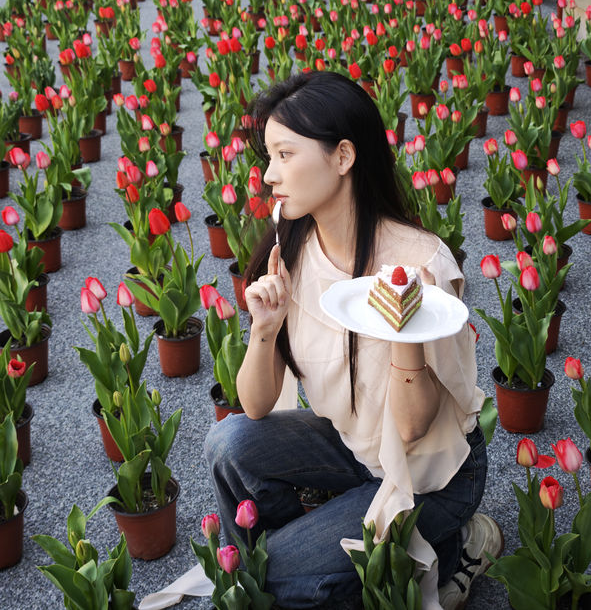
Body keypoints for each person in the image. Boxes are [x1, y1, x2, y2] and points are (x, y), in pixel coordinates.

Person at [204, 71, 502, 610]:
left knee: (273, 579)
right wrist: (266, 328)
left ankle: (456, 546)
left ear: (343, 157)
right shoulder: (290, 249)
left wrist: (407, 324)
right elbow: (253, 406)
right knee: (228, 447)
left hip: (432, 475)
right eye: (268, 157)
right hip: (355, 448)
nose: (269, 175)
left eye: (285, 154)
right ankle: (311, 549)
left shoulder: (419, 264)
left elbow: (412, 429)